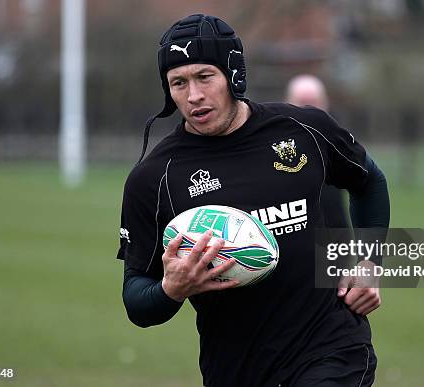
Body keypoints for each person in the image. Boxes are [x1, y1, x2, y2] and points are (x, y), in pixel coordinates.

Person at [117, 14, 389, 387]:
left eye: (204, 76)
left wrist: (370, 262)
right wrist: (170, 290)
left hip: (331, 349)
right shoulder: (154, 179)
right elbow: (135, 297)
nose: (193, 95)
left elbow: (369, 181)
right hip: (236, 369)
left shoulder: (304, 129)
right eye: (178, 82)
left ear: (233, 74)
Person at [286, 74, 351, 229]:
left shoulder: (338, 136)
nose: (309, 110)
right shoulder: (274, 140)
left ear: (325, 103)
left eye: (313, 103)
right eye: (302, 103)